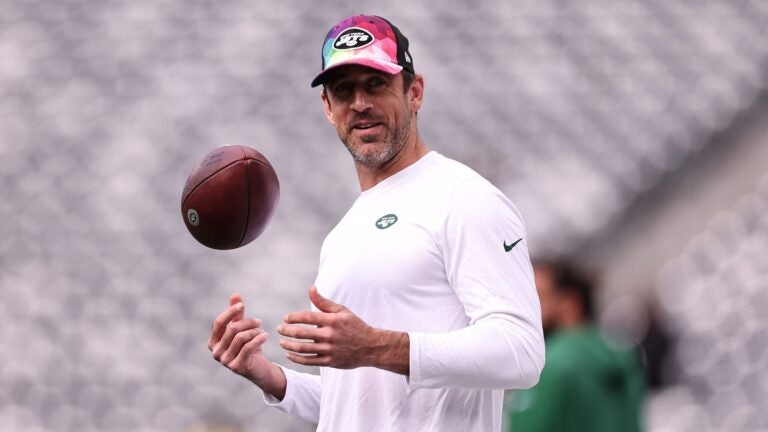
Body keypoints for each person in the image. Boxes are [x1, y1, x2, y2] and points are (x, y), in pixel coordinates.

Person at [207, 14, 545, 432]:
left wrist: (377, 346)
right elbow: (358, 402)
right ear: (328, 108)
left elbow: (521, 353)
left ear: (415, 92)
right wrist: (273, 379)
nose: (360, 103)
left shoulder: (465, 198)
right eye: (344, 90)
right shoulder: (343, 233)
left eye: (376, 84)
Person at [506, 261, 645, 432]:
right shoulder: (620, 351)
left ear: (570, 303)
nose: (527, 307)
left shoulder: (550, 365)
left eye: (537, 296)